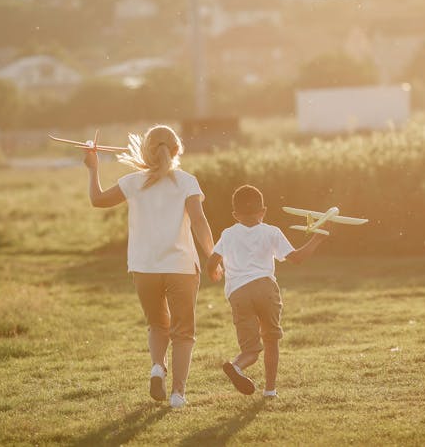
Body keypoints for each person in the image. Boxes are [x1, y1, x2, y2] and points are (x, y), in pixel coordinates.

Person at [82, 124, 218, 409]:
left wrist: (93, 168)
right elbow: (199, 221)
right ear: (178, 149)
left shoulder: (132, 182)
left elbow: (97, 200)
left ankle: (158, 367)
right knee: (183, 333)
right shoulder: (186, 181)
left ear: (146, 150)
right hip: (181, 266)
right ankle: (178, 395)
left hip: (144, 267)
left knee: (157, 325)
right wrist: (213, 256)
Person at [206, 184, 327, 398]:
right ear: (263, 211)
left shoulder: (228, 233)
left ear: (235, 215)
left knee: (251, 350)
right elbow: (296, 258)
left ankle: (236, 366)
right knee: (271, 340)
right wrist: (317, 238)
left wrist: (215, 271)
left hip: (238, 293)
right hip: (265, 288)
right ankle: (270, 390)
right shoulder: (271, 232)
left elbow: (212, 261)